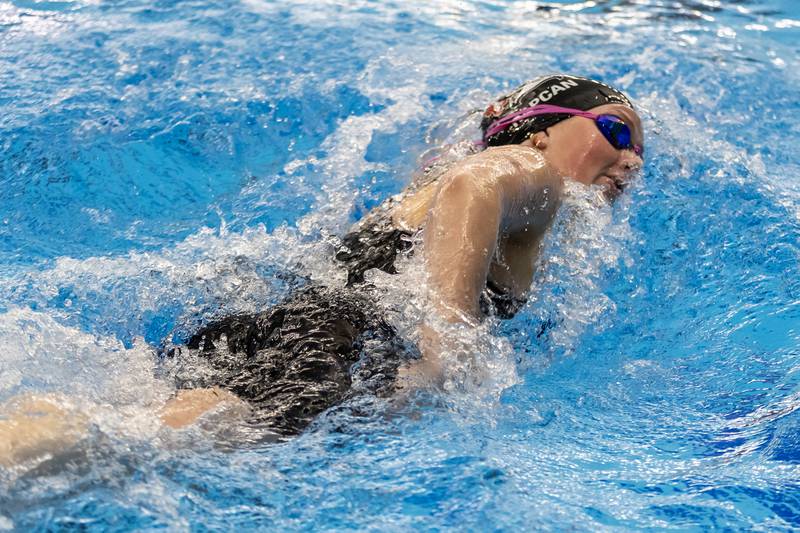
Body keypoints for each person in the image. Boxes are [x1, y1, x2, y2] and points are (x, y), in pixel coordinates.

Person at [0, 75, 644, 465]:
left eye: (641, 151)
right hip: (336, 344)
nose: (632, 159)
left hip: (286, 322)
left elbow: (457, 173)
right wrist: (448, 346)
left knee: (121, 413)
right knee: (158, 438)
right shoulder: (535, 177)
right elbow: (475, 182)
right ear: (538, 131)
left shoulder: (427, 184)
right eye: (617, 131)